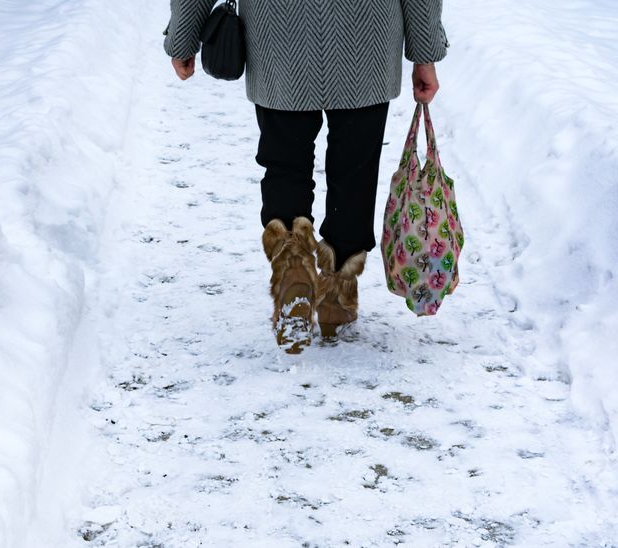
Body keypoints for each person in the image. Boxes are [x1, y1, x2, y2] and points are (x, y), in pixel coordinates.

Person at [164, 0, 448, 353]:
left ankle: (293, 272)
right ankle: (337, 294)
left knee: (285, 161)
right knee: (355, 169)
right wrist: (425, 52)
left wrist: (184, 35)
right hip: (366, 33)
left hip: (278, 31)